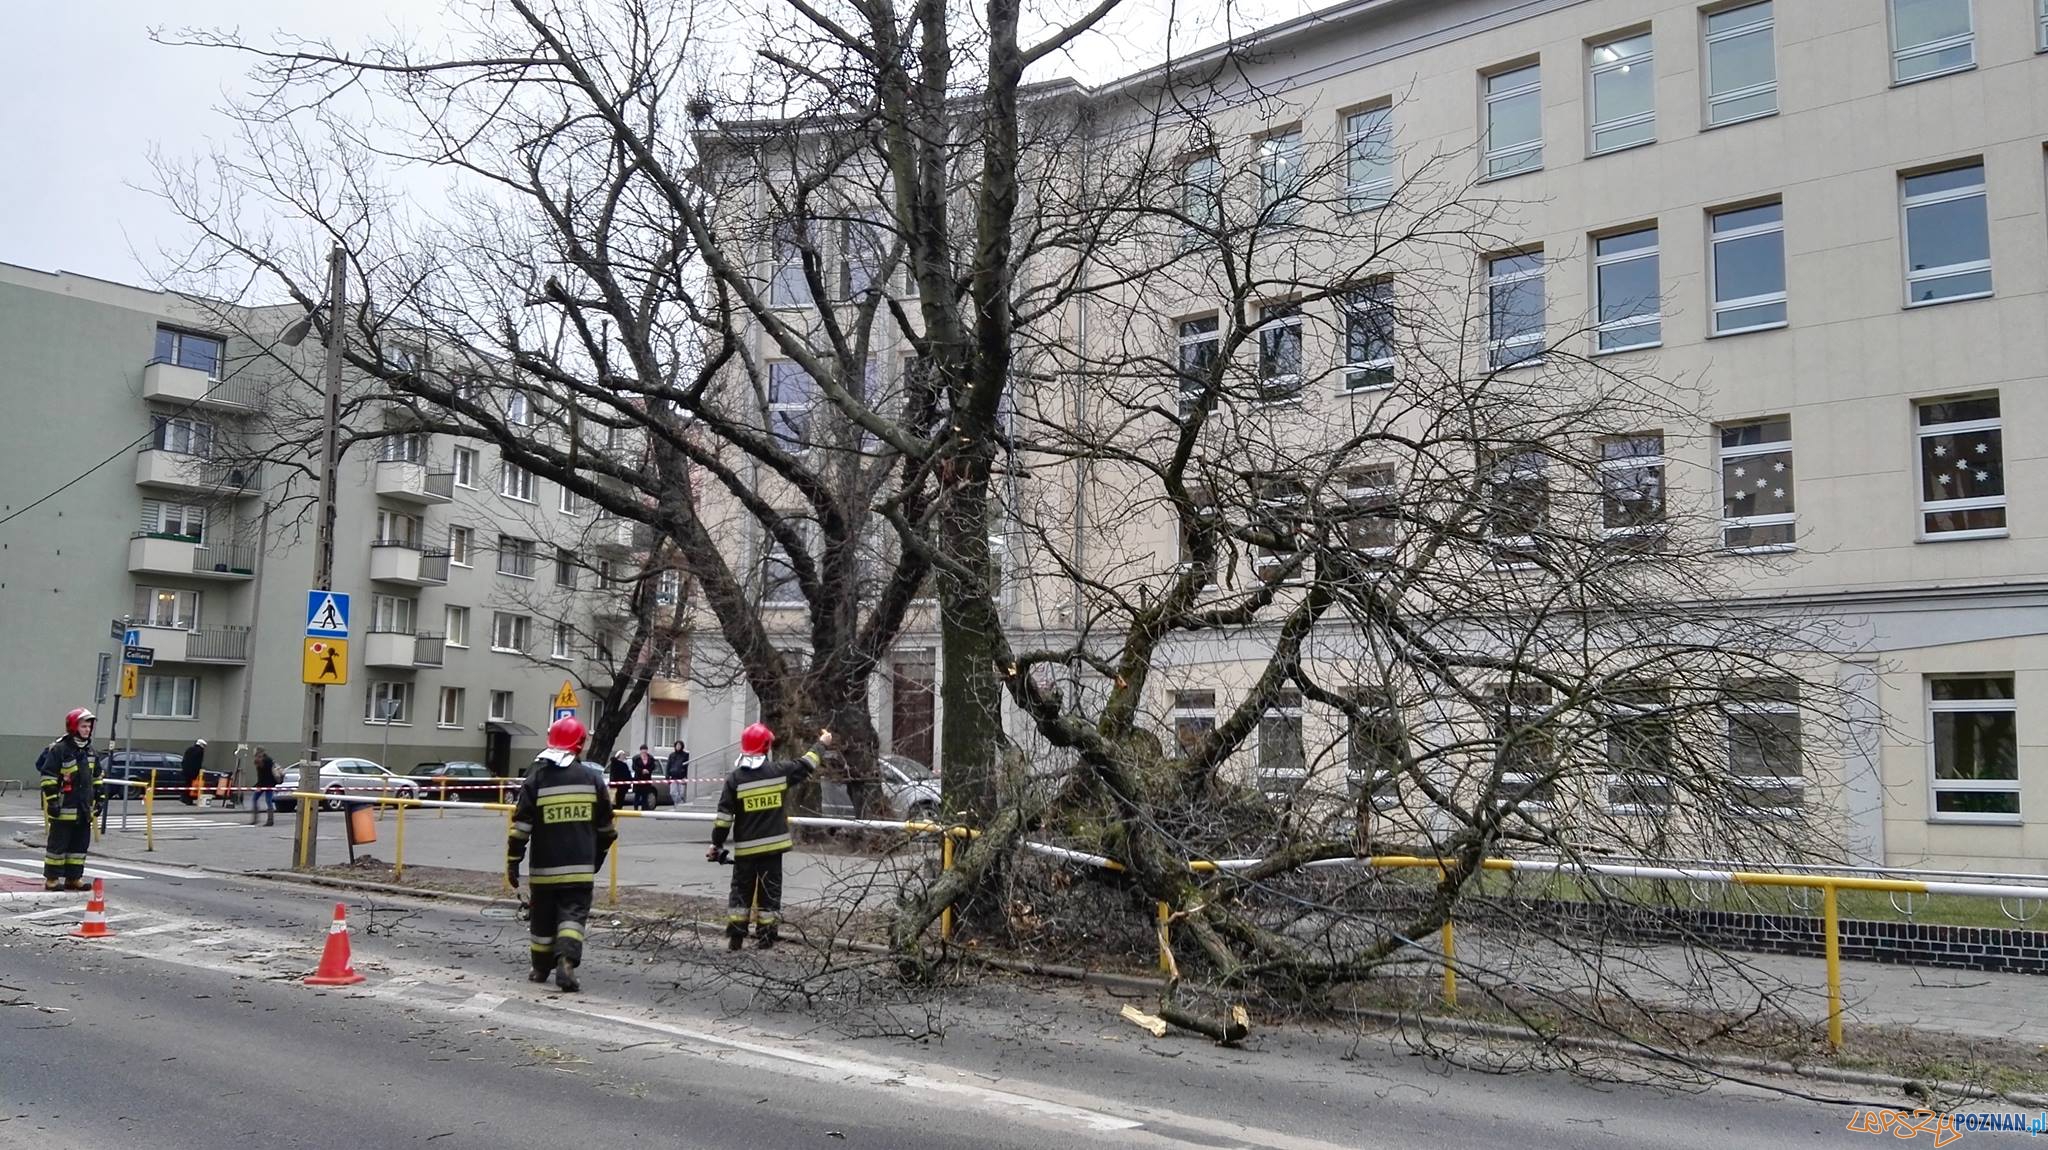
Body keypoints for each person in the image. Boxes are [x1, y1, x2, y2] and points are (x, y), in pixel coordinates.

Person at [506, 716, 616, 993]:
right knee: (572, 917)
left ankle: (540, 968)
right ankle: (566, 961)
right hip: (579, 869)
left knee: (542, 919)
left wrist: (513, 861)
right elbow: (607, 829)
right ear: (580, 745)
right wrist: (598, 858)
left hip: (543, 870)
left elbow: (520, 828)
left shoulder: (536, 779)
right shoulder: (593, 780)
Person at [707, 723, 833, 951]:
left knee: (740, 894)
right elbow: (807, 763)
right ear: (766, 747)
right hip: (773, 851)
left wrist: (716, 843)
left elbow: (724, 818)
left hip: (745, 852)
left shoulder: (735, 779)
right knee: (770, 895)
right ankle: (766, 939)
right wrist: (822, 744)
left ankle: (736, 938)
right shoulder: (780, 772)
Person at [37, 708, 103, 891]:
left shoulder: (90, 751)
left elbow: (97, 776)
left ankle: (73, 878)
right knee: (58, 844)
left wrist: (100, 798)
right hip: (64, 807)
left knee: (79, 846)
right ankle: (52, 878)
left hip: (83, 809)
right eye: (84, 726)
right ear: (73, 726)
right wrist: (52, 801)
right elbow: (48, 776)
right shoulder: (60, 749)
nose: (87, 730)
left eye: (89, 726)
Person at [248, 746, 280, 826]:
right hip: (268, 784)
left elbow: (263, 776)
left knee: (262, 800)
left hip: (266, 784)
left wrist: (257, 786)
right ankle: (269, 820)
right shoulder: (267, 760)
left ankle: (263, 820)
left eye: (255, 751)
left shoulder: (264, 761)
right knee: (267, 801)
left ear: (258, 752)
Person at [179, 737, 207, 806]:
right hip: (193, 771)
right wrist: (198, 771)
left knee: (186, 784)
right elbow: (198, 763)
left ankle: (185, 798)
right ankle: (188, 799)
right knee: (191, 786)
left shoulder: (189, 749)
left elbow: (184, 760)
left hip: (185, 770)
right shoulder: (200, 751)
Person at [664, 740, 690, 806]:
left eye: (679, 745)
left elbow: (687, 767)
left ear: (682, 746)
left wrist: (686, 776)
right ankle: (681, 804)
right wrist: (667, 776)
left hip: (682, 777)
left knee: (681, 793)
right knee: (673, 792)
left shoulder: (686, 755)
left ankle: (679, 807)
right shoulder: (671, 755)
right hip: (673, 777)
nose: (678, 747)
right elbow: (668, 766)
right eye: (677, 745)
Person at [631, 746, 657, 812]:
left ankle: (644, 808)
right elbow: (634, 767)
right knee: (637, 795)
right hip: (638, 779)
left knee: (645, 795)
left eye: (645, 750)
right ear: (640, 750)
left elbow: (653, 766)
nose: (644, 751)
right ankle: (636, 809)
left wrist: (648, 770)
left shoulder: (650, 758)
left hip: (647, 778)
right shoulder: (636, 758)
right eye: (642, 750)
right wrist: (641, 770)